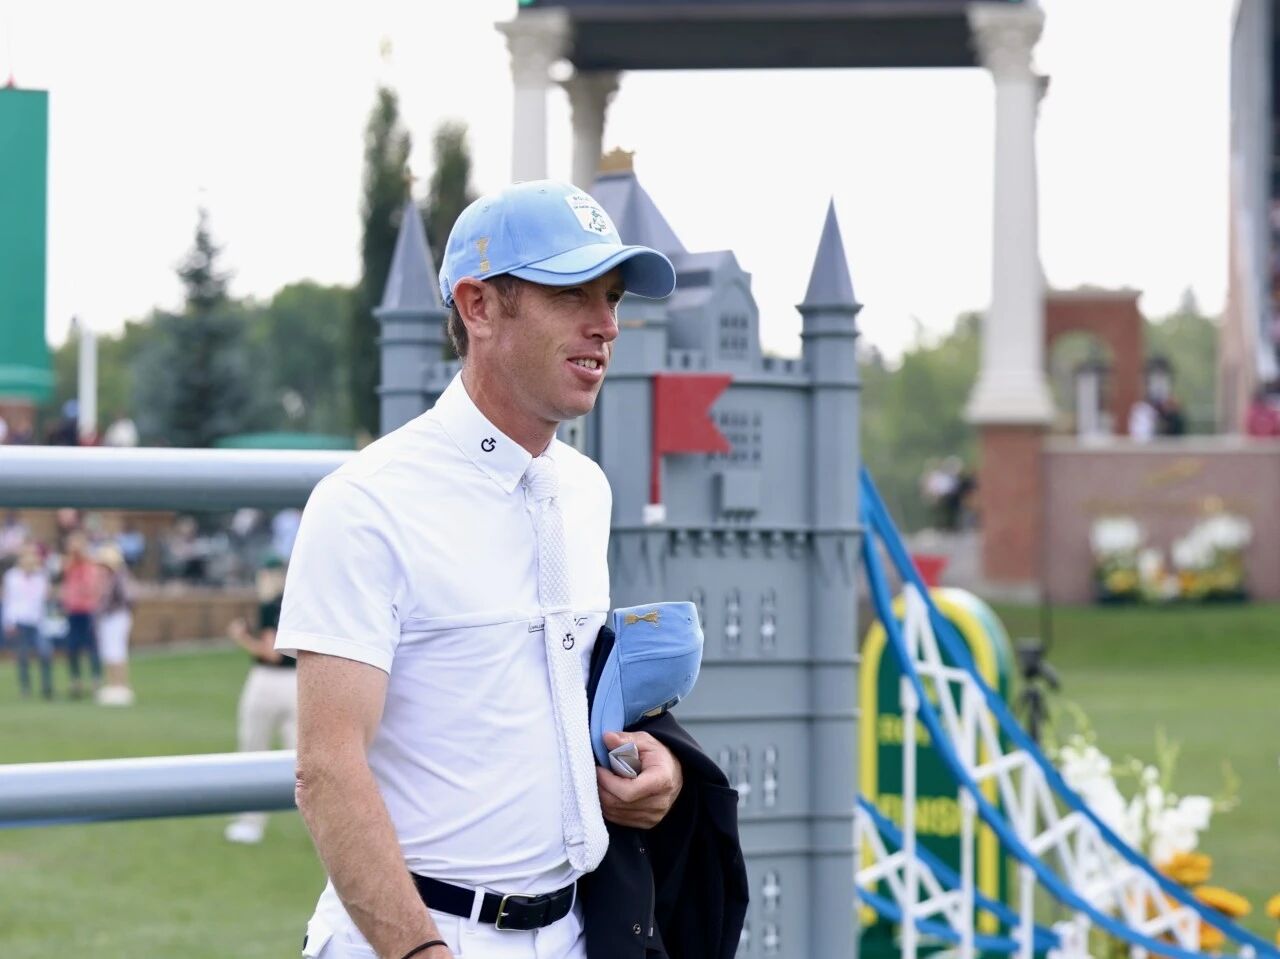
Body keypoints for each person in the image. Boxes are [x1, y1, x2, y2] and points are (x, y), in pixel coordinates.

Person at [276, 180, 699, 959]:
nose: (607, 324)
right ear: (477, 306)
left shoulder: (587, 490)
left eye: (611, 297)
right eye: (572, 292)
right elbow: (327, 769)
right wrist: (421, 951)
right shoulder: (365, 502)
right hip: (414, 936)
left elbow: (565, 703)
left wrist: (657, 765)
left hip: (576, 930)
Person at [224, 555, 295, 844]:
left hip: (269, 681)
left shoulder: (270, 605)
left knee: (254, 750)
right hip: (299, 683)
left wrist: (240, 637)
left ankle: (250, 822)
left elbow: (271, 653)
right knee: (300, 758)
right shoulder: (301, 601)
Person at [3, 543, 52, 699]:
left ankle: (47, 687)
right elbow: (9, 600)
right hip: (20, 619)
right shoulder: (12, 576)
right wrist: (8, 622)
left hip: (37, 621)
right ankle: (25, 688)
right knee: (23, 656)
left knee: (45, 653)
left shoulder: (41, 576)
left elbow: (43, 599)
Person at [60, 531, 103, 698]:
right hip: (73, 611)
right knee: (72, 648)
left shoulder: (89, 566)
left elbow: (91, 588)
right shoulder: (70, 567)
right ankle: (75, 681)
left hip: (87, 610)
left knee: (92, 647)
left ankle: (96, 680)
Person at [94, 544, 136, 706]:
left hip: (117, 617)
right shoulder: (106, 579)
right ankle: (113, 685)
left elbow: (128, 599)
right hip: (107, 618)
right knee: (109, 652)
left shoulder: (120, 578)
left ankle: (121, 685)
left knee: (117, 651)